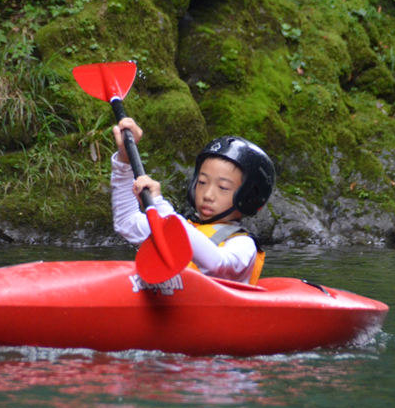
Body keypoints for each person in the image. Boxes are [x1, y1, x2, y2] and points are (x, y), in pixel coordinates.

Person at [111, 117, 275, 285]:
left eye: (223, 187)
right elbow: (125, 222)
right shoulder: (186, 228)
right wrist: (124, 161)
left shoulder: (243, 245)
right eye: (202, 182)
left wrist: (160, 207)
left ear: (249, 198)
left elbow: (217, 264)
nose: (208, 195)